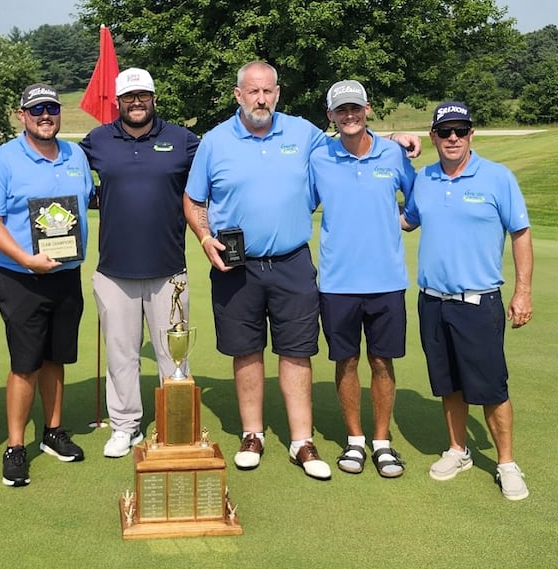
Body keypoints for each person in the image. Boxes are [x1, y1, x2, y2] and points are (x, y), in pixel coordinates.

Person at [184, 61, 420, 478]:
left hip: (292, 262)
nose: (261, 99)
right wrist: (205, 239)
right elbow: (194, 199)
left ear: (278, 93)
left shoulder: (303, 133)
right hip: (236, 264)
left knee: (297, 351)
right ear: (238, 95)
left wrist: (393, 139)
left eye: (268, 91)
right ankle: (252, 434)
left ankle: (302, 440)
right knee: (246, 351)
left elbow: (351, 136)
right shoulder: (215, 141)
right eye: (253, 91)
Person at [402, 102, 533, 500]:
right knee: (449, 384)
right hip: (433, 301)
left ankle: (507, 463)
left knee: (492, 387)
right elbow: (406, 220)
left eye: (460, 131)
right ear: (433, 137)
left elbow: (521, 233)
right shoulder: (423, 179)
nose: (453, 138)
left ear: (472, 134)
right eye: (445, 132)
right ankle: (458, 450)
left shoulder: (497, 178)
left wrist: (523, 291)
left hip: (478, 301)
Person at [79, 67, 199, 458]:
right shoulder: (97, 140)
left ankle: (174, 424)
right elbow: (61, 175)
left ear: (153, 98)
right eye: (129, 97)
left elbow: (216, 179)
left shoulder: (182, 139)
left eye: (143, 95)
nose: (136, 102)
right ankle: (125, 425)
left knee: (173, 354)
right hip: (114, 270)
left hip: (170, 270)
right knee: (121, 355)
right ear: (118, 101)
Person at [0, 84, 94, 486]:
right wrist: (26, 258)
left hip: (65, 274)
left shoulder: (75, 155)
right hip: (21, 277)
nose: (46, 116)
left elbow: (84, 203)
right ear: (22, 115)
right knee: (25, 364)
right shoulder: (3, 160)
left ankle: (53, 432)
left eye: (52, 109)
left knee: (55, 357)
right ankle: (15, 445)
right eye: (37, 110)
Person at [310, 80, 416, 477]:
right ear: (331, 116)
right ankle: (355, 441)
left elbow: (417, 197)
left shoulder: (393, 153)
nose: (349, 115)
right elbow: (299, 200)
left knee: (382, 362)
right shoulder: (320, 157)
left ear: (367, 109)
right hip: (338, 282)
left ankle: (382, 441)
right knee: (347, 361)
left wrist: (405, 220)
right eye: (341, 110)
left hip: (387, 280)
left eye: (355, 108)